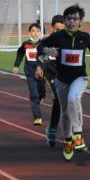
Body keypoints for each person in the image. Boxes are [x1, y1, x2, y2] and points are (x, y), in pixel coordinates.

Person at [37, 4, 90, 161]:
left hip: (79, 77)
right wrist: (46, 51)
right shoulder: (58, 37)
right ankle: (68, 140)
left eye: (75, 19)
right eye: (69, 19)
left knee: (73, 99)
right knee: (65, 110)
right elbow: (41, 45)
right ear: (65, 21)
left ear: (81, 21)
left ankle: (78, 134)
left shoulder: (84, 37)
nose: (72, 22)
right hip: (62, 79)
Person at [36, 14, 65, 147]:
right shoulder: (47, 41)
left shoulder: (67, 42)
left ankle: (70, 132)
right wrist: (39, 67)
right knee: (57, 99)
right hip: (50, 74)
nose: (59, 32)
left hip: (64, 75)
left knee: (66, 103)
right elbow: (39, 53)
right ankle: (53, 130)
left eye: (62, 30)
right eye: (57, 29)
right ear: (52, 28)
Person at [13, 23, 46, 125]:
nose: (35, 33)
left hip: (41, 72)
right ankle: (37, 117)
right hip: (29, 73)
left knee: (41, 92)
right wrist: (16, 65)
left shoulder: (43, 44)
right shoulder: (25, 44)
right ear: (29, 33)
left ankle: (42, 96)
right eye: (33, 31)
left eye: (37, 31)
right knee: (34, 94)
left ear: (40, 33)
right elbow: (20, 54)